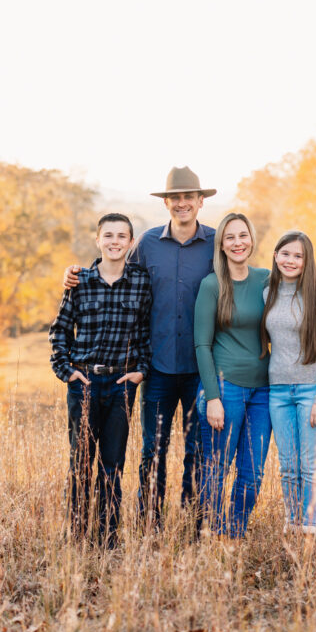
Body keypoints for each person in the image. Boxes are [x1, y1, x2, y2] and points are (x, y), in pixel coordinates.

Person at [64, 167, 216, 528]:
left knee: (198, 450)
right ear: (166, 203)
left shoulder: (216, 242)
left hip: (200, 367)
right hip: (158, 367)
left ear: (199, 201)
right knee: (153, 450)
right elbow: (113, 276)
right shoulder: (146, 243)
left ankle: (195, 525)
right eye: (175, 198)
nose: (182, 203)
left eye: (188, 197)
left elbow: (240, 275)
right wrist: (76, 275)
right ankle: (151, 523)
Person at [49, 213, 152, 548]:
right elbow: (59, 332)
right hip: (85, 384)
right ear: (98, 240)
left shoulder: (140, 282)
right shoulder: (80, 282)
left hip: (121, 384)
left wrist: (141, 371)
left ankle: (107, 539)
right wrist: (67, 372)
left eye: (122, 236)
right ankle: (77, 539)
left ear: (131, 242)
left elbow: (148, 333)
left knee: (112, 466)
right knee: (80, 464)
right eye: (108, 235)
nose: (115, 242)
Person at [194, 213, 271, 538]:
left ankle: (235, 533)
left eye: (243, 236)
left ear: (251, 239)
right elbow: (201, 344)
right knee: (217, 468)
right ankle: (211, 533)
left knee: (252, 473)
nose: (238, 243)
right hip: (226, 389)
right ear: (222, 245)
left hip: (264, 392)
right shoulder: (213, 284)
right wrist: (212, 396)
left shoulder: (267, 279)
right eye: (230, 238)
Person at [260, 231, 316, 535]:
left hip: (312, 392)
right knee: (288, 467)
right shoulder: (267, 294)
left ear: (307, 262)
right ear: (276, 256)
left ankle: (310, 528)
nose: (290, 260)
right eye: (285, 254)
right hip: (278, 392)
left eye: (298, 256)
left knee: (311, 467)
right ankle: (292, 525)